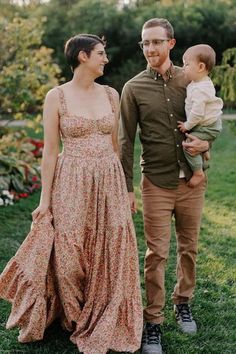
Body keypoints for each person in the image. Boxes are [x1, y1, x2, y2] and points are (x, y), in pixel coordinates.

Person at [0, 34, 143, 354]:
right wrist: (44, 201)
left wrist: (123, 187)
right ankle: (73, 312)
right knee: (69, 250)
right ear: (82, 56)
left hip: (108, 178)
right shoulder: (57, 96)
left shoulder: (110, 94)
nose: (106, 59)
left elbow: (116, 144)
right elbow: (50, 151)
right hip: (72, 179)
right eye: (101, 54)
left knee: (110, 246)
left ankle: (107, 309)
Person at [119, 18, 210, 354]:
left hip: (192, 183)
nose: (150, 49)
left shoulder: (192, 80)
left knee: (189, 248)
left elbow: (209, 122)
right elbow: (125, 140)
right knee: (155, 254)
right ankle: (153, 322)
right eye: (145, 43)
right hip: (155, 181)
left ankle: (182, 302)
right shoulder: (133, 88)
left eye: (156, 42)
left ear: (171, 44)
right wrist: (127, 187)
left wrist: (205, 146)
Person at [178, 44, 223, 187]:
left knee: (189, 146)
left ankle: (198, 173)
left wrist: (187, 126)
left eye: (186, 64)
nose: (183, 67)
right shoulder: (200, 82)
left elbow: (197, 114)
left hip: (207, 126)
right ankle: (205, 151)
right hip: (210, 124)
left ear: (201, 67)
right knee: (196, 141)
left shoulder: (200, 89)